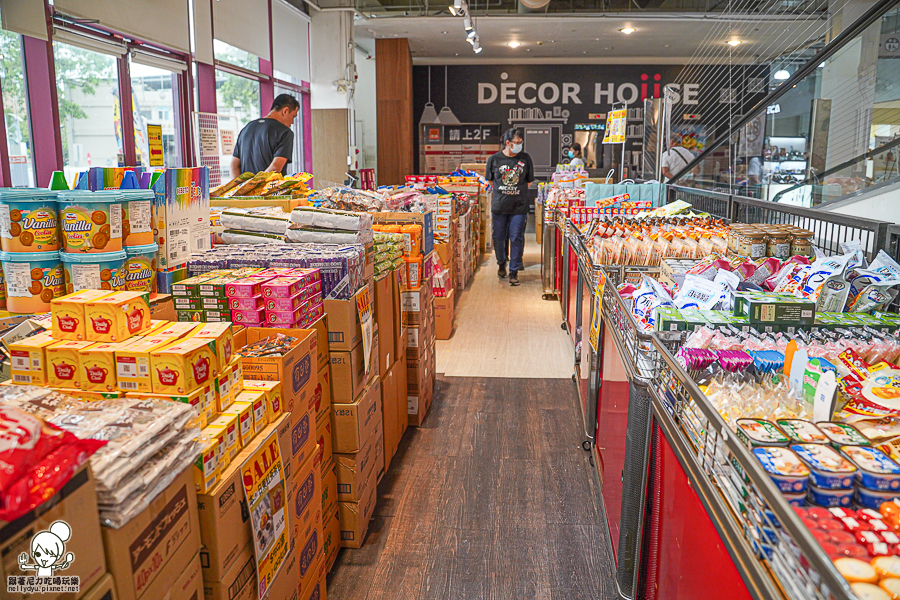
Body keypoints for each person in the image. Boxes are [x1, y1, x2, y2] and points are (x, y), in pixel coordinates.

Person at [485, 127, 535, 287]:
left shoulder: (525, 158)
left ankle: (514, 272)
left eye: (521, 142)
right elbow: (491, 181)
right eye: (517, 143)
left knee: (516, 238)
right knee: (498, 238)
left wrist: (516, 191)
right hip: (500, 206)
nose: (520, 145)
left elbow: (528, 181)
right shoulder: (494, 159)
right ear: (508, 143)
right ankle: (501, 264)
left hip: (519, 207)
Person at [230, 94, 300, 177]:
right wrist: (257, 187)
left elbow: (234, 166)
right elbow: (275, 168)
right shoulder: (285, 132)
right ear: (285, 111)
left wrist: (241, 188)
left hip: (246, 189)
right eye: (293, 116)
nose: (292, 122)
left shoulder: (247, 128)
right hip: (270, 189)